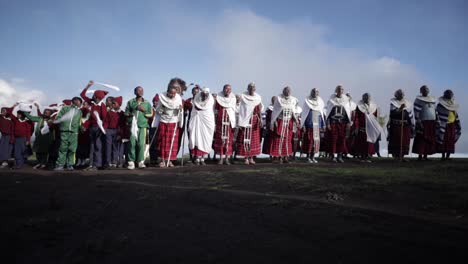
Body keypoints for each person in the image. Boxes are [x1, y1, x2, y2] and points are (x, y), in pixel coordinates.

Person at [80, 80, 108, 170]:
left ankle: (97, 164)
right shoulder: (92, 103)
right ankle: (91, 164)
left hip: (98, 129)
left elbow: (105, 120)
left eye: (95, 96)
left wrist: (102, 129)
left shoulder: (102, 106)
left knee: (97, 146)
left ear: (97, 97)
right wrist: (88, 86)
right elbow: (82, 95)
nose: (93, 97)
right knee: (92, 146)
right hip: (92, 128)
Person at [154, 84, 184, 167]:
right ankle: (163, 160)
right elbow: (158, 111)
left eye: (174, 93)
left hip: (173, 122)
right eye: (171, 93)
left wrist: (180, 109)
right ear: (168, 92)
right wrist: (162, 108)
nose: (173, 95)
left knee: (172, 141)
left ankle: (170, 160)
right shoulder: (162, 98)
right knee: (163, 141)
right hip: (163, 121)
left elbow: (180, 111)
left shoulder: (178, 99)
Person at [125, 87, 153, 170]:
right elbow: (126, 114)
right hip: (132, 125)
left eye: (142, 90)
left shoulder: (147, 103)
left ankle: (140, 161)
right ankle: (131, 162)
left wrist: (144, 111)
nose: (140, 92)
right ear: (135, 92)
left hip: (143, 125)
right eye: (138, 90)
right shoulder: (130, 102)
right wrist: (134, 109)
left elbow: (150, 114)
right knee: (132, 143)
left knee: (141, 144)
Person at [236, 83, 263, 165]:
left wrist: (261, 119)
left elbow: (258, 110)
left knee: (253, 140)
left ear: (255, 89)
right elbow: (240, 109)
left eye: (253, 88)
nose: (252, 89)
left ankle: (251, 158)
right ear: (247, 88)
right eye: (250, 87)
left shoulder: (257, 98)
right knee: (245, 139)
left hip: (254, 119)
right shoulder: (243, 97)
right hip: (245, 120)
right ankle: (246, 158)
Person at [23, 103, 57, 169]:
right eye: (45, 112)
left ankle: (43, 163)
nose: (45, 113)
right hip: (39, 138)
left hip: (47, 139)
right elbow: (31, 117)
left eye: (47, 113)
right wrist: (24, 110)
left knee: (45, 152)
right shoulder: (39, 119)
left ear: (50, 114)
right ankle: (39, 163)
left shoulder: (52, 120)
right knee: (38, 151)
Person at [270, 86, 298, 163]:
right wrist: (274, 120)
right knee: (279, 139)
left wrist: (295, 119)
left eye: (289, 90)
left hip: (288, 121)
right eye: (286, 90)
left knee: (287, 140)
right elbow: (275, 111)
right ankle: (279, 157)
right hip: (280, 121)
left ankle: (286, 157)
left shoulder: (292, 100)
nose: (288, 92)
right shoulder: (279, 99)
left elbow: (293, 110)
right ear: (283, 91)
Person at [53, 97, 83, 171]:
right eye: (79, 102)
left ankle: (70, 164)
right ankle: (60, 165)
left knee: (72, 149)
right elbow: (58, 118)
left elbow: (79, 123)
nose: (80, 104)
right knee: (63, 148)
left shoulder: (79, 112)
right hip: (64, 131)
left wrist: (81, 127)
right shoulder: (65, 108)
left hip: (74, 133)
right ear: (75, 101)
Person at [188, 88, 215, 165]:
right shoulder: (196, 100)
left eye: (206, 94)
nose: (205, 95)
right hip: (196, 121)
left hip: (206, 122)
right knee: (196, 138)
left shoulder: (211, 101)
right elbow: (194, 111)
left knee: (205, 138)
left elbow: (209, 113)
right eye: (203, 94)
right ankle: (197, 158)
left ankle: (203, 158)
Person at [326, 85, 352, 163]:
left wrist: (348, 123)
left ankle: (340, 156)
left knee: (342, 139)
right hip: (334, 122)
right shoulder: (331, 100)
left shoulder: (346, 101)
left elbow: (347, 112)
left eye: (342, 89)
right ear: (336, 90)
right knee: (333, 140)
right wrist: (328, 123)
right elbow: (328, 113)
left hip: (342, 123)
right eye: (339, 89)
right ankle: (333, 156)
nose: (341, 90)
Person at [353, 93, 381, 162]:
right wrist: (356, 126)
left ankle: (367, 156)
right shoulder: (359, 107)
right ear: (363, 98)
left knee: (369, 143)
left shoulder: (373, 107)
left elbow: (375, 117)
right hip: (362, 128)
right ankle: (362, 157)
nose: (367, 98)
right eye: (365, 97)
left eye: (368, 97)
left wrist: (376, 126)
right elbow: (356, 117)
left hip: (370, 128)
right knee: (362, 143)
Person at [387, 89, 414, 161]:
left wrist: (412, 124)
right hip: (396, 125)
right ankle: (396, 156)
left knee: (404, 140)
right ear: (396, 95)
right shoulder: (393, 103)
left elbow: (410, 115)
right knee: (397, 140)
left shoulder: (407, 103)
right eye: (399, 94)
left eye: (402, 94)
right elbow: (392, 114)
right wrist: (400, 108)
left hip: (405, 125)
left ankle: (402, 156)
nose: (401, 95)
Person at [213, 84, 237, 165]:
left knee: (228, 140)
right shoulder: (218, 98)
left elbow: (233, 110)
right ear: (223, 89)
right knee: (220, 140)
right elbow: (216, 110)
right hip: (220, 121)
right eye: (226, 89)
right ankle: (221, 158)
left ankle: (227, 158)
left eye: (229, 89)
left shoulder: (233, 99)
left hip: (229, 122)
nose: (228, 90)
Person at [412, 85, 437, 161]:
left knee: (429, 138)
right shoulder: (418, 100)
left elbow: (435, 110)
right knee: (421, 139)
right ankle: (420, 156)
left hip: (432, 121)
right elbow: (416, 111)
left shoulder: (432, 100)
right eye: (424, 90)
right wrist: (418, 121)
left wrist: (437, 119)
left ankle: (426, 156)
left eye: (427, 89)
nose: (425, 91)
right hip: (423, 121)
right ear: (421, 91)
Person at [300, 88, 325, 163]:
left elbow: (322, 114)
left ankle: (313, 156)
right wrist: (303, 125)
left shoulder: (320, 101)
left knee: (316, 142)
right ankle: (308, 157)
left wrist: (323, 124)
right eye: (314, 92)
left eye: (317, 92)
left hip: (317, 125)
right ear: (311, 92)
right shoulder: (307, 101)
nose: (315, 93)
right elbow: (304, 114)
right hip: (309, 125)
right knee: (309, 141)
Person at [436, 90, 461, 161]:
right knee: (444, 140)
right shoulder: (440, 105)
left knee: (451, 140)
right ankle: (443, 156)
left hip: (452, 125)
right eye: (449, 94)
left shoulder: (453, 104)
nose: (450, 95)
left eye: (451, 94)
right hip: (444, 125)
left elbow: (455, 114)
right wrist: (440, 123)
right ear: (445, 95)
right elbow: (438, 115)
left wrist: (457, 123)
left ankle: (448, 156)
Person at [10, 103, 34, 169]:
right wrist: (14, 106)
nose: (17, 115)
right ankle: (18, 165)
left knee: (24, 152)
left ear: (22, 115)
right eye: (17, 114)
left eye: (19, 114)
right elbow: (9, 113)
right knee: (17, 152)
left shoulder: (27, 122)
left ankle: (21, 164)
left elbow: (28, 132)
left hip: (24, 139)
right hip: (17, 139)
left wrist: (28, 140)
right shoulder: (15, 120)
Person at [105, 96, 124, 169]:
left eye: (114, 103)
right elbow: (106, 122)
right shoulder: (109, 112)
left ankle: (114, 161)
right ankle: (108, 162)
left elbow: (122, 125)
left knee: (116, 147)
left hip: (117, 131)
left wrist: (120, 133)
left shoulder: (122, 113)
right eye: (112, 103)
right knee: (108, 147)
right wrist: (105, 130)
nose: (112, 105)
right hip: (109, 131)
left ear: (119, 104)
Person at [184, 85, 201, 163]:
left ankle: (197, 156)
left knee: (198, 140)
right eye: (194, 92)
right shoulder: (188, 101)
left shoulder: (201, 101)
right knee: (191, 139)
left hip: (199, 122)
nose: (195, 93)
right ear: (192, 92)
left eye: (197, 92)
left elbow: (208, 97)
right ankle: (191, 156)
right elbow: (184, 109)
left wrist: (201, 88)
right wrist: (185, 112)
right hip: (190, 122)